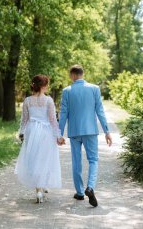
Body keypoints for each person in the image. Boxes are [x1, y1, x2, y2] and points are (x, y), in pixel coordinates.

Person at [59, 65, 113, 207]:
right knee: (93, 160)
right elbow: (100, 111)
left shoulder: (67, 91)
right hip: (90, 131)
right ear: (82, 74)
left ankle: (80, 193)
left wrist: (59, 133)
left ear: (72, 75)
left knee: (76, 162)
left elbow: (63, 113)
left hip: (74, 132)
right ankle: (90, 187)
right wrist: (107, 131)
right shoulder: (94, 89)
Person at [15, 75, 64, 203]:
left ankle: (39, 191)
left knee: (34, 158)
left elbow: (24, 120)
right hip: (45, 131)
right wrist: (58, 136)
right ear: (42, 86)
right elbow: (53, 120)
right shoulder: (48, 100)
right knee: (44, 159)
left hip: (32, 131)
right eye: (47, 84)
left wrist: (21, 133)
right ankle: (42, 187)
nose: (48, 87)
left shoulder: (27, 100)